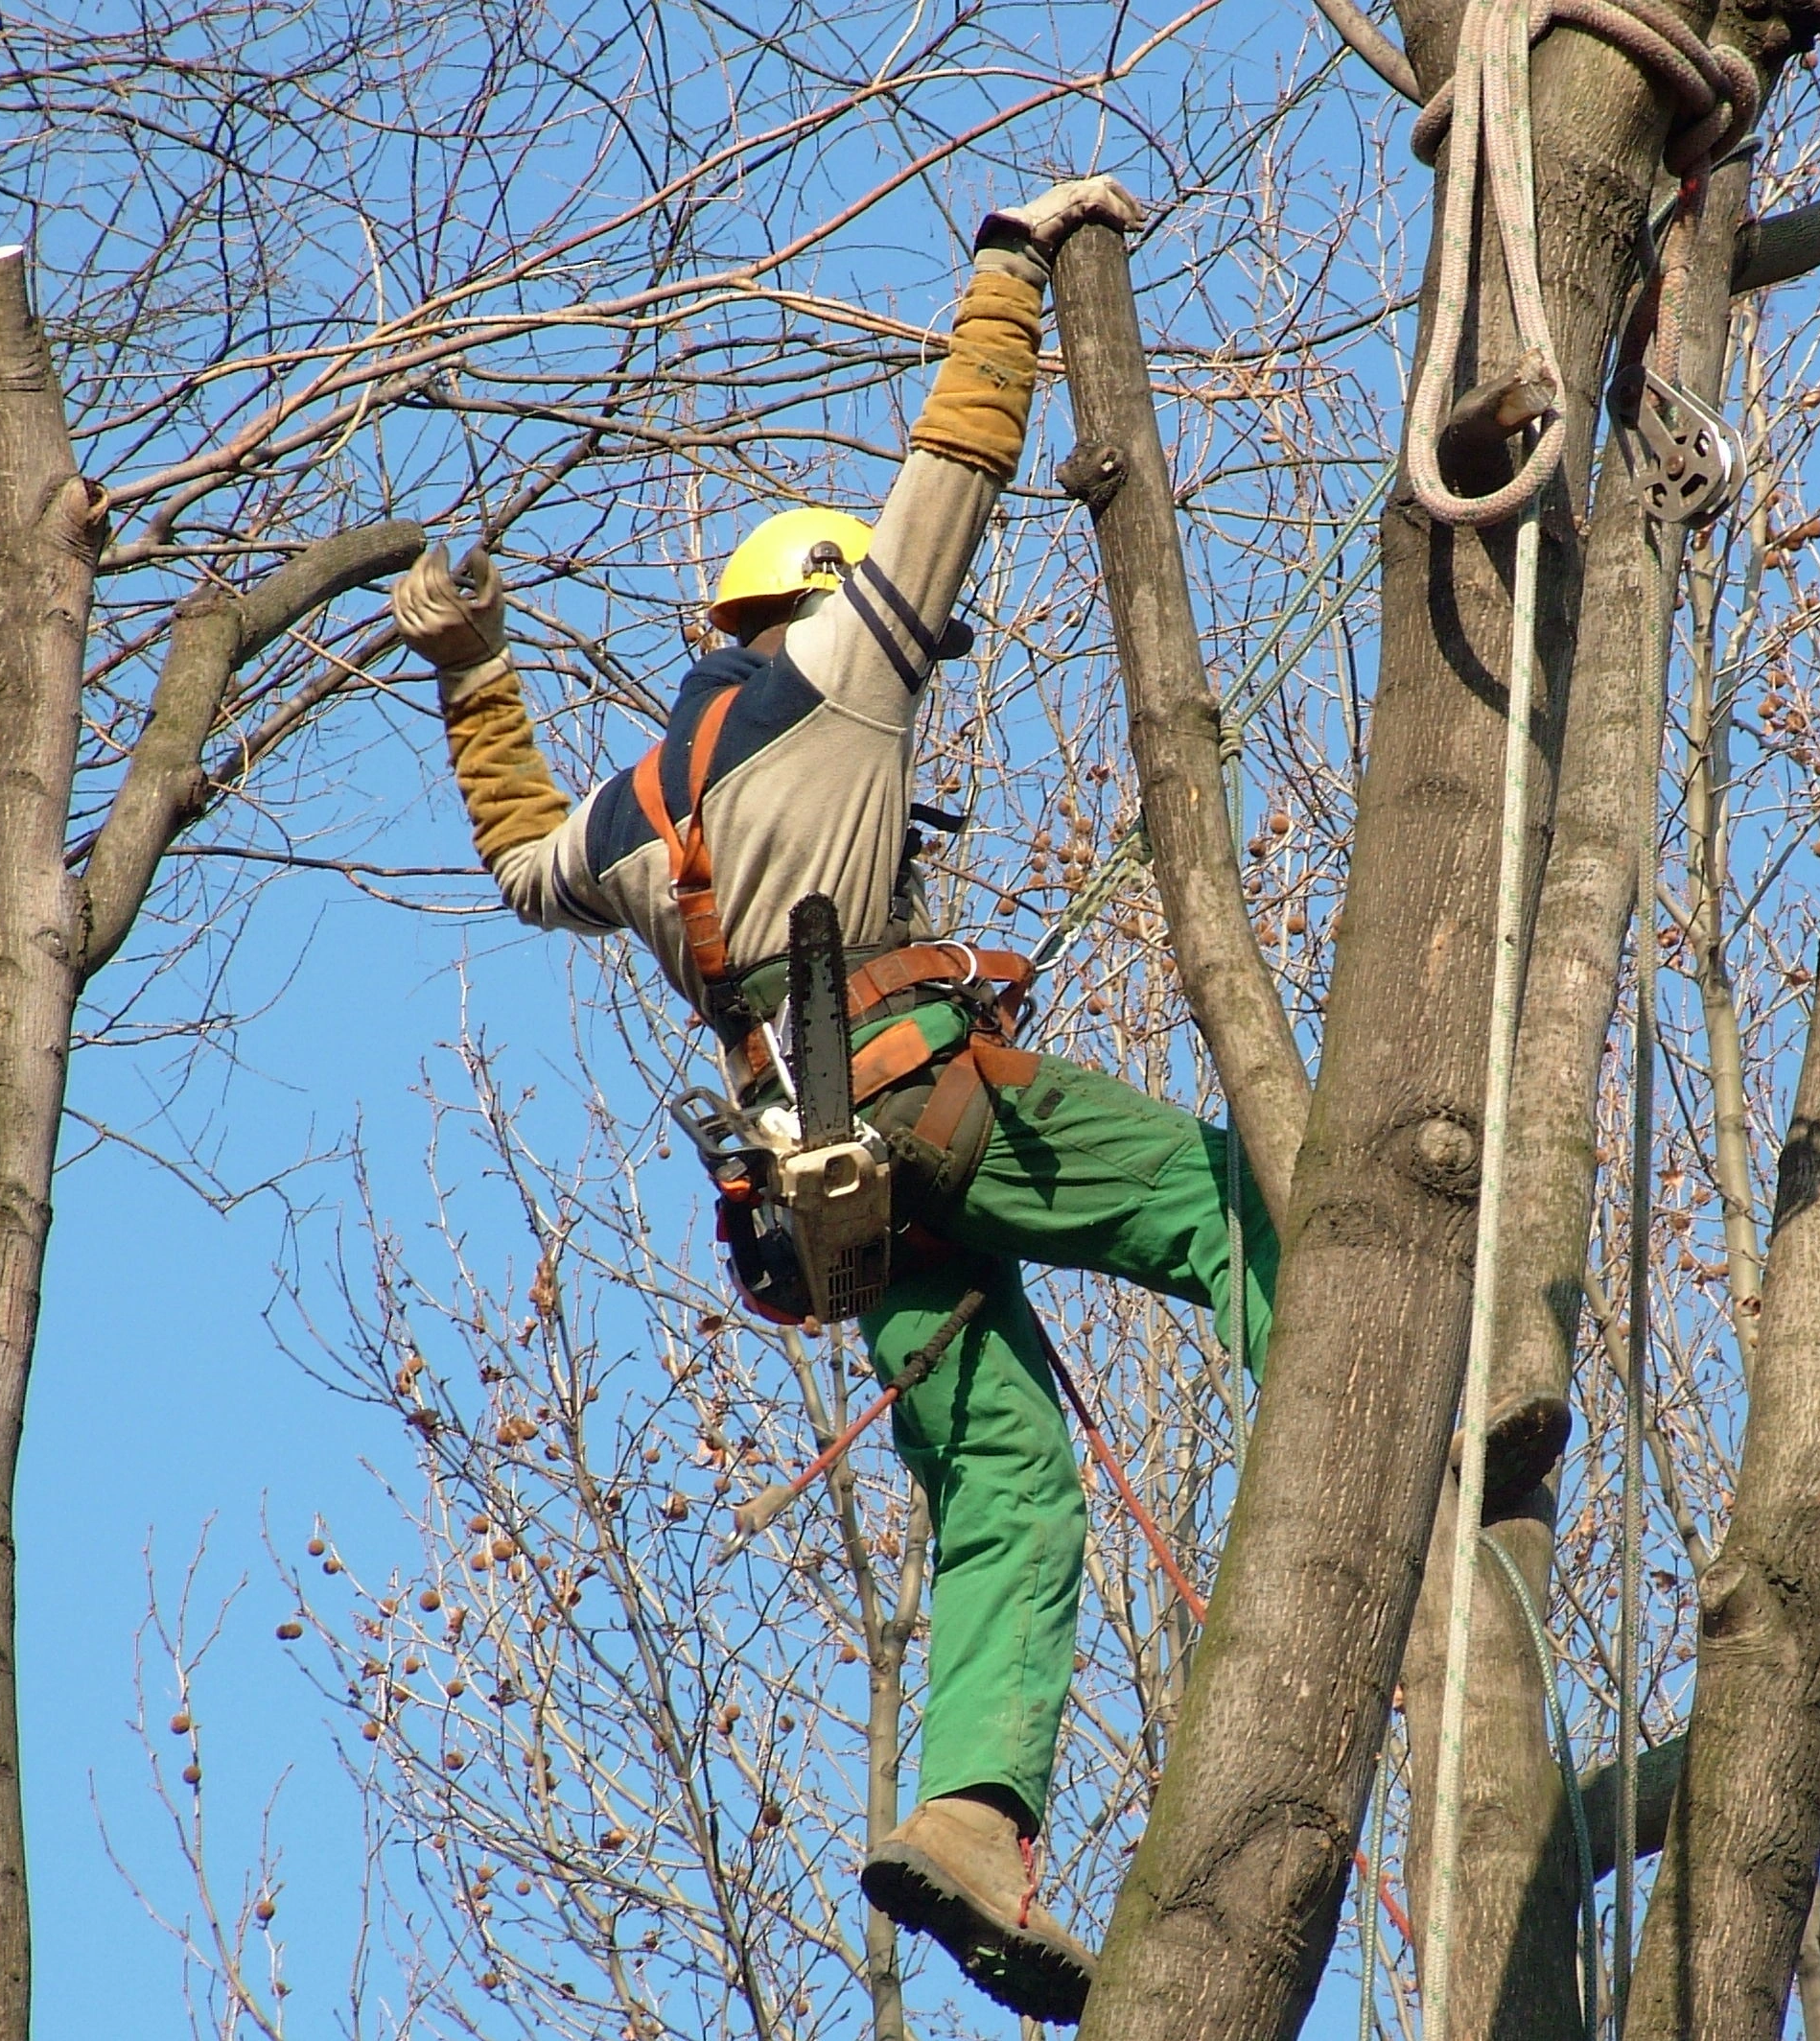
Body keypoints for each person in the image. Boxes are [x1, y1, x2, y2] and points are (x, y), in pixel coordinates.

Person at [387, 173, 1278, 2025]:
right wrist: (1016, 264)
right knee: (1243, 1190)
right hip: (924, 1098)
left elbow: (517, 860)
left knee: (1011, 1487)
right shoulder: (846, 664)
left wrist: (472, 669)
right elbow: (952, 474)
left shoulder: (637, 813)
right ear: (801, 606)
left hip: (824, 1205)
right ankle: (1354, 1429)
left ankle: (966, 1817)